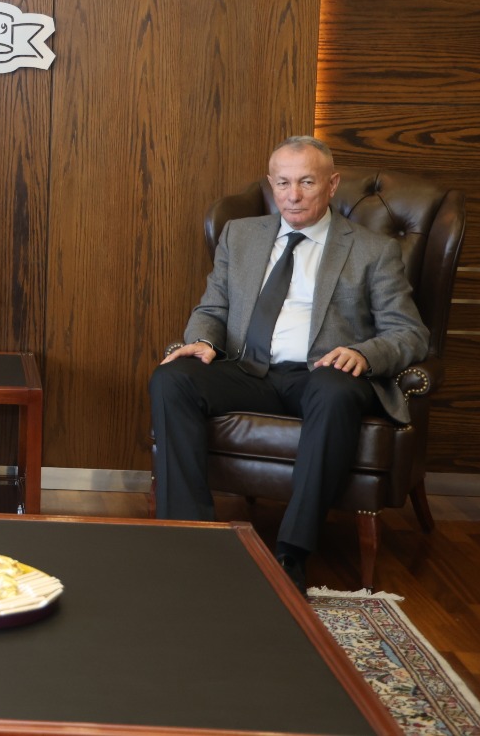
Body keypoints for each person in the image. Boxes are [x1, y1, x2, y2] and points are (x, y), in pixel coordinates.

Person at [149, 136, 428, 593]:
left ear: (331, 184)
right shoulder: (240, 235)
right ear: (271, 184)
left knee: (335, 390)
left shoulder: (373, 250)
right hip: (248, 369)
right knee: (171, 378)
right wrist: (202, 341)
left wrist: (363, 354)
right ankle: (190, 538)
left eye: (306, 182)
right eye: (283, 183)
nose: (293, 195)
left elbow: (410, 333)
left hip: (321, 376)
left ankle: (292, 553)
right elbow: (213, 308)